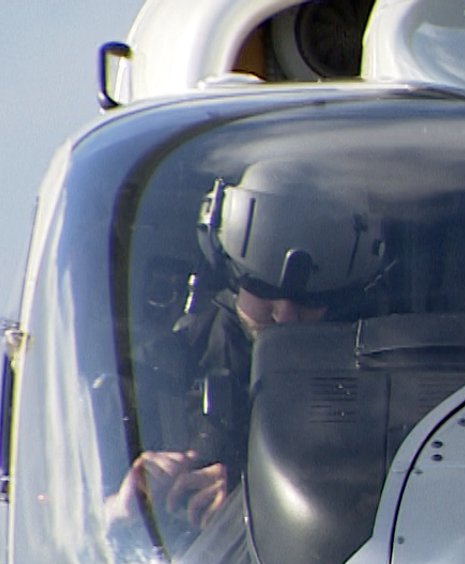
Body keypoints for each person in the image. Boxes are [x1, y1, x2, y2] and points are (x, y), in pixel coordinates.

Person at [111, 158, 386, 537]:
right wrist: (121, 507)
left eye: (311, 298)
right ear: (230, 273)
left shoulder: (379, 381)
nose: (285, 316)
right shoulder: (152, 380)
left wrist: (251, 501)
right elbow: (66, 537)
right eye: (263, 288)